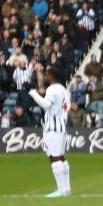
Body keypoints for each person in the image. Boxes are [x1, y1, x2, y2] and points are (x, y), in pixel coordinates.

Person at [27, 65, 72, 198]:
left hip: (53, 127)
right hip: (62, 126)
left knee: (54, 157)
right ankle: (66, 188)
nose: (46, 76)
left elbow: (46, 105)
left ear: (52, 76)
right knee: (61, 157)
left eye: (48, 74)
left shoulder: (52, 89)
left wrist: (33, 94)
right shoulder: (65, 90)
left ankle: (60, 190)